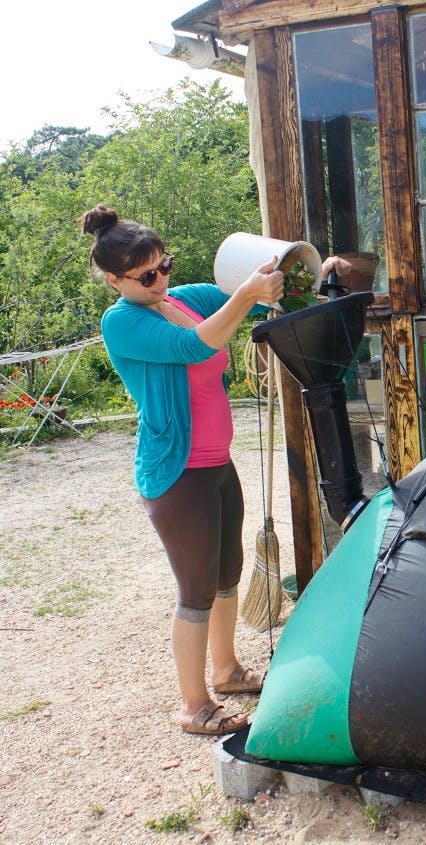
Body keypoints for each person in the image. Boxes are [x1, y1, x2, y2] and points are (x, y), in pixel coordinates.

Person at [82, 203, 350, 736]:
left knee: (227, 577)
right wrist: (246, 294)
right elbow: (194, 344)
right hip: (178, 473)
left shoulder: (184, 299)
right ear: (114, 280)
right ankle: (192, 704)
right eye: (146, 275)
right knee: (196, 589)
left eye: (165, 266)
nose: (161, 280)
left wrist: (314, 276)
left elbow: (263, 305)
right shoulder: (123, 322)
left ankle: (225, 671)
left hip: (216, 464)